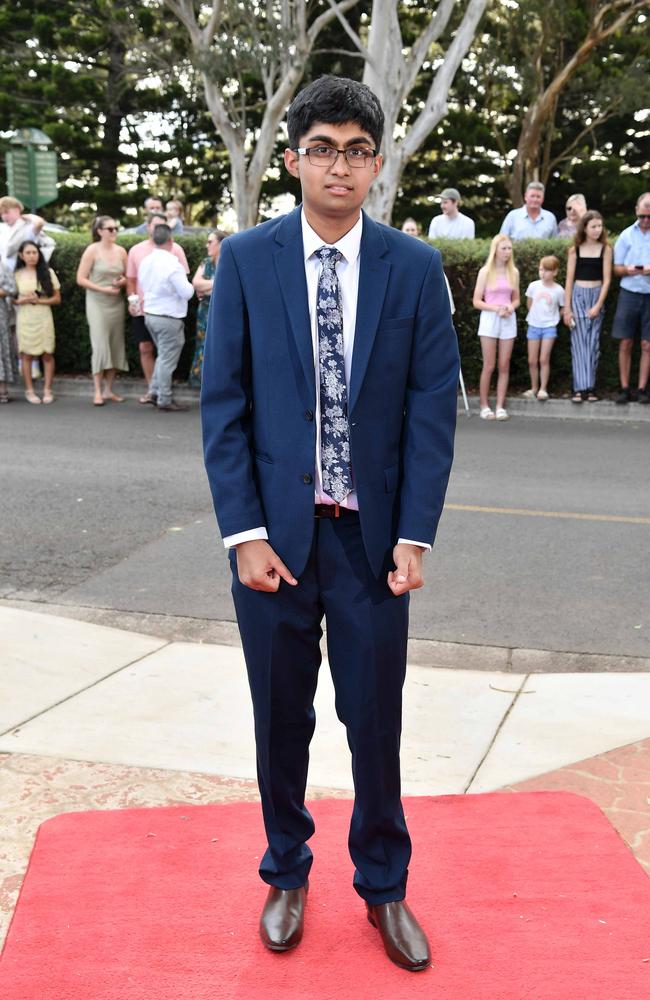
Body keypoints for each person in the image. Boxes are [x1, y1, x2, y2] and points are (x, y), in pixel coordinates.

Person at [201, 74, 459, 972]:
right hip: (275, 541)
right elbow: (223, 406)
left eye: (356, 150)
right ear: (294, 159)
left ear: (377, 162)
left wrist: (414, 534)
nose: (338, 166)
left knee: (374, 720)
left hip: (372, 543)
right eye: (322, 149)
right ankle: (286, 870)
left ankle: (384, 887)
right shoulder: (246, 259)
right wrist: (244, 535)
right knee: (280, 719)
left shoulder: (415, 268)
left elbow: (432, 410)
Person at [126, 212, 190, 387]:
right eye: (156, 226)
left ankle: (158, 391)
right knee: (145, 348)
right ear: (148, 228)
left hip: (167, 311)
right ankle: (153, 390)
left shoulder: (176, 250)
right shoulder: (136, 250)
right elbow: (131, 280)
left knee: (165, 354)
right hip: (143, 308)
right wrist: (132, 301)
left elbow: (183, 279)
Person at [138, 223, 193, 411]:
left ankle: (154, 391)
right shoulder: (172, 264)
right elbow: (186, 292)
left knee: (162, 356)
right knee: (167, 359)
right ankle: (164, 398)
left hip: (150, 314)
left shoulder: (146, 261)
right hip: (168, 316)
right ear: (171, 240)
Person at [76, 216, 129, 406]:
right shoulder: (92, 250)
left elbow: (128, 276)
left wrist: (121, 282)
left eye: (116, 228)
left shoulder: (121, 251)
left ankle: (109, 390)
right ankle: (97, 391)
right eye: (110, 229)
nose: (114, 231)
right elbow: (81, 279)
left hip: (116, 302)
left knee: (115, 343)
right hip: (97, 302)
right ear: (99, 231)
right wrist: (103, 289)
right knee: (100, 344)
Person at [563, 211, 613, 404]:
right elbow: (569, 280)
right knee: (579, 344)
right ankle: (579, 388)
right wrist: (567, 309)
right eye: (593, 226)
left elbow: (607, 280)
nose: (597, 230)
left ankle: (590, 387)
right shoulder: (575, 249)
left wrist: (598, 305)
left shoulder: (606, 249)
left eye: (599, 226)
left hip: (596, 295)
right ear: (584, 227)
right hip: (578, 295)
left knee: (593, 345)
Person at [473, 234, 520, 420]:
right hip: (490, 319)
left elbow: (516, 299)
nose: (507, 252)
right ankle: (484, 405)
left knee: (504, 364)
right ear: (496, 250)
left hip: (508, 319)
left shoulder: (513, 272)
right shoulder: (485, 272)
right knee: (489, 364)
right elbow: (476, 301)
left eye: (509, 248)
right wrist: (496, 308)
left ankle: (500, 406)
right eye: (504, 248)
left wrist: (510, 307)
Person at [611, 192, 650, 404]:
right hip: (629, 292)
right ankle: (625, 388)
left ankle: (642, 389)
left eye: (649, 217)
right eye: (643, 216)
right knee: (625, 342)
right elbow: (615, 268)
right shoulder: (626, 235)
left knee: (647, 345)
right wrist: (627, 270)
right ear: (636, 211)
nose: (645, 221)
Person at [13, 241, 61, 404]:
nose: (32, 256)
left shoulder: (47, 272)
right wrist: (23, 299)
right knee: (26, 354)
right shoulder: (17, 275)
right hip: (25, 318)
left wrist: (39, 301)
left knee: (47, 353)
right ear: (21, 255)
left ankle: (48, 390)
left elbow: (56, 298)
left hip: (43, 317)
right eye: (28, 253)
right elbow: (12, 300)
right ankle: (29, 390)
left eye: (35, 252)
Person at [522, 255, 564, 401]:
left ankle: (543, 388)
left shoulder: (559, 290)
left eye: (547, 270)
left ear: (555, 272)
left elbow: (563, 307)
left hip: (549, 327)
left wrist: (554, 319)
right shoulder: (534, 286)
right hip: (533, 325)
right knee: (532, 360)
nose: (543, 273)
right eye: (541, 269)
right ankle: (534, 387)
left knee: (544, 358)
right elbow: (529, 303)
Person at [188, 230, 225, 388]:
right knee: (202, 344)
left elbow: (229, 287)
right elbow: (195, 284)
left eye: (210, 242)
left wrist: (207, 285)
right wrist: (217, 283)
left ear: (221, 243)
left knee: (219, 346)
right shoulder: (206, 262)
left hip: (222, 312)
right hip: (204, 311)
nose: (207, 245)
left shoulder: (229, 262)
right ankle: (200, 382)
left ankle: (216, 384)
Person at [0, 261, 17, 402]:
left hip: (0, 313)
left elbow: (12, 289)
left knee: (1, 348)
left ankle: (2, 389)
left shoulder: (3, 268)